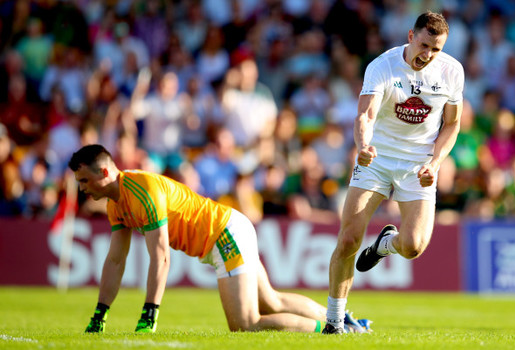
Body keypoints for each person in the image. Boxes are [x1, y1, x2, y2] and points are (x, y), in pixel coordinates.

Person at [68, 144, 370, 334]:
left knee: (246, 323)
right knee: (271, 302)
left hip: (223, 234)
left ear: (105, 171)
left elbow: (160, 256)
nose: (81, 188)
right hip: (228, 227)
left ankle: (333, 330)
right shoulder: (114, 204)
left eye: (84, 180)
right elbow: (115, 260)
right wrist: (100, 313)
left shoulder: (141, 189)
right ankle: (343, 319)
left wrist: (150, 311)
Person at [324, 12, 464, 334]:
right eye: (425, 45)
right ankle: (333, 323)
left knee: (414, 246)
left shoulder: (452, 71)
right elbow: (366, 114)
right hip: (378, 157)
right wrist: (363, 145)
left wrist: (436, 163)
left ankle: (385, 243)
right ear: (410, 36)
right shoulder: (382, 66)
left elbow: (453, 123)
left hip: (419, 163)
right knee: (347, 240)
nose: (427, 55)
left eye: (436, 49)